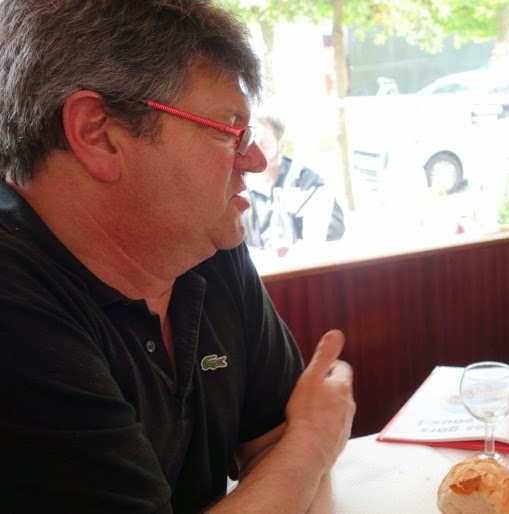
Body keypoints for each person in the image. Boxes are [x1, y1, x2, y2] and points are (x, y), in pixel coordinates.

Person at [0, 1, 355, 512]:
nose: (256, 159)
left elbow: (287, 467)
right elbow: (299, 456)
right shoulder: (14, 306)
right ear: (98, 133)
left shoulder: (204, 245)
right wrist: (314, 440)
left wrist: (298, 454)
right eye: (229, 129)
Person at [243, 113, 345, 252]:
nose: (255, 151)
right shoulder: (241, 186)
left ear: (281, 145)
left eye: (264, 143)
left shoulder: (308, 184)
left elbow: (332, 233)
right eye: (251, 143)